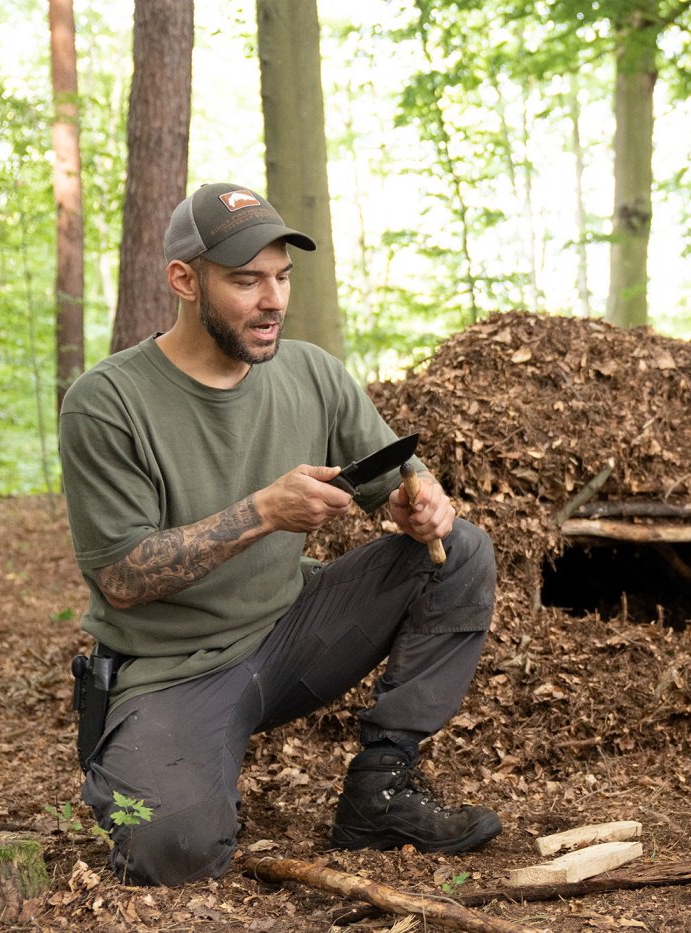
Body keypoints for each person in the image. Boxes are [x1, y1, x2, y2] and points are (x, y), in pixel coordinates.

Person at [58, 182, 501, 886]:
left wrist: (423, 499)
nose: (273, 300)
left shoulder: (310, 372)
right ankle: (157, 765)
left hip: (294, 630)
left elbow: (397, 471)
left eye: (282, 277)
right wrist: (263, 511)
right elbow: (121, 576)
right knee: (173, 851)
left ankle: (381, 788)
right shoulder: (108, 403)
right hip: (173, 668)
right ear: (184, 279)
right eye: (245, 280)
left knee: (461, 551)